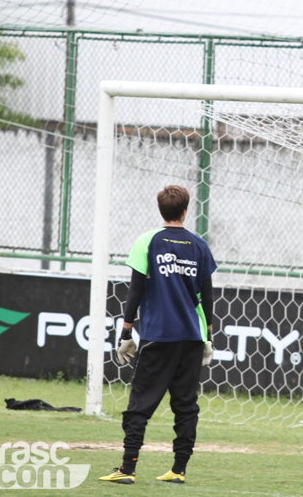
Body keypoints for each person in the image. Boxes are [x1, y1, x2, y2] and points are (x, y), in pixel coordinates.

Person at [100, 185, 217, 484]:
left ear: (160, 209)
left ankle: (127, 469)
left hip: (158, 335)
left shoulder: (147, 241)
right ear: (185, 211)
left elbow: (135, 290)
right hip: (191, 337)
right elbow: (207, 295)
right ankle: (178, 470)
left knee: (140, 404)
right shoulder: (200, 245)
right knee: (186, 406)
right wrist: (208, 336)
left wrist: (126, 332)